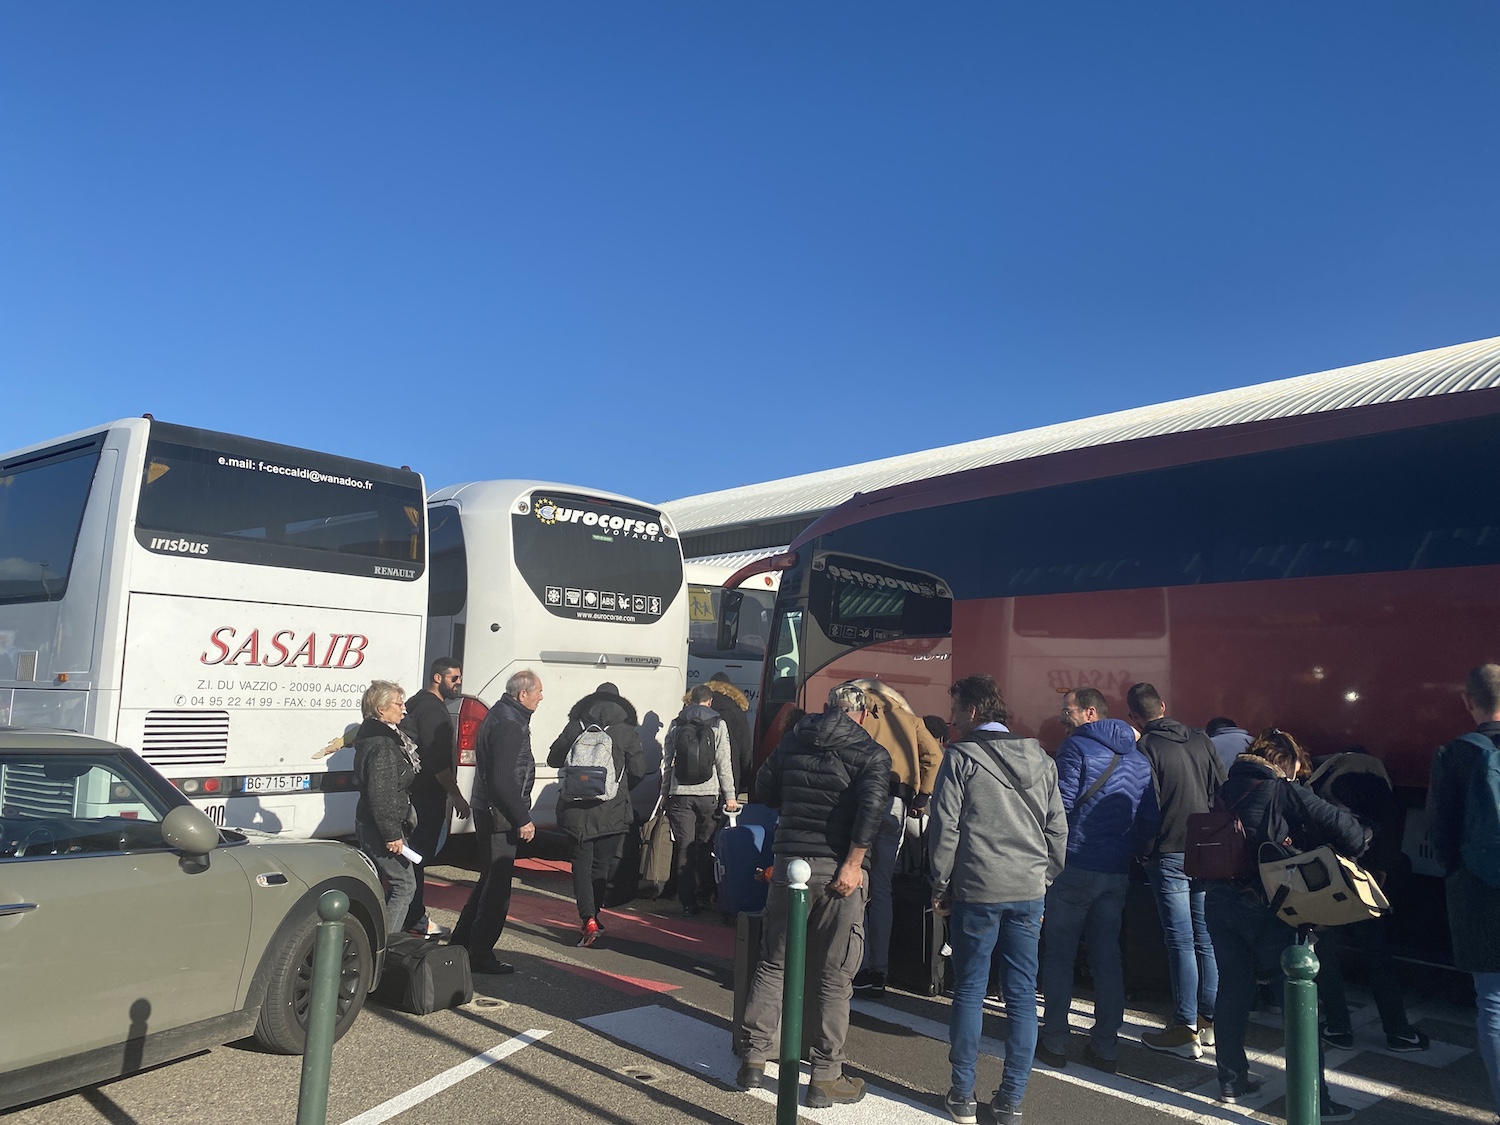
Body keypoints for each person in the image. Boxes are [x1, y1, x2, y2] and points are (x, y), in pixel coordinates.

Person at [736, 682, 890, 1108]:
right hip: (840, 870)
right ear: (860, 714)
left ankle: (753, 1058)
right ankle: (824, 1076)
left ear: (825, 708)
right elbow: (872, 810)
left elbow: (763, 790)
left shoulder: (792, 741)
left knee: (774, 961)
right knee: (834, 974)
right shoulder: (870, 752)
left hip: (789, 864)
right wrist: (854, 863)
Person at [1204, 728, 1365, 1120]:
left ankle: (1231, 1080)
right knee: (1299, 1000)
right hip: (1271, 908)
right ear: (1286, 762)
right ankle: (1316, 1099)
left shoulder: (1227, 787)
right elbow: (1351, 835)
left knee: (1233, 990)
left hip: (1220, 902)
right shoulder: (1283, 789)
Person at [930, 674, 1067, 1125]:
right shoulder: (1041, 758)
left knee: (970, 988)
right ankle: (1011, 1102)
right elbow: (1057, 830)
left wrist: (938, 882)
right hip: (1028, 891)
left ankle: (962, 1096)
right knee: (1023, 995)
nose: (951, 720)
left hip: (978, 889)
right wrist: (1043, 877)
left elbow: (945, 828)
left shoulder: (961, 757)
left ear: (972, 712)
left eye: (955, 712)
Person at [1036, 687, 1153, 1073]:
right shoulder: (1139, 758)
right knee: (1107, 958)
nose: (1060, 716)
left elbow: (1062, 807)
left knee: (1059, 955)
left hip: (1075, 864)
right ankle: (1105, 1047)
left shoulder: (1075, 749)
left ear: (1090, 713)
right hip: (1116, 869)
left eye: (1066, 710)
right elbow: (1147, 818)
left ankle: (1053, 1040)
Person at [1129, 681, 1225, 1058]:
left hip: (1168, 851)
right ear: (1164, 706)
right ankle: (1208, 1023)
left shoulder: (1146, 748)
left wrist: (1143, 850)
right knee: (1206, 936)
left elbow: (1146, 806)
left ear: (1134, 717)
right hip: (1207, 848)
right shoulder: (1201, 739)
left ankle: (1183, 1028)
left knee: (1180, 941)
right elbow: (1222, 790)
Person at [1311, 745, 1427, 1052]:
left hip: (1331, 880)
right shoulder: (1378, 784)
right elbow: (1390, 841)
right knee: (1378, 955)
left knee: (1325, 950)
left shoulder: (1324, 780)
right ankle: (1399, 1031)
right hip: (1367, 883)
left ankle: (1338, 1027)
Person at [1428, 663, 1500, 1121]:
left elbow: (1441, 833)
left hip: (1477, 888)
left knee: (1492, 1000)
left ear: (1467, 701)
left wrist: (1461, 873)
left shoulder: (1453, 754)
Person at [846, 678, 944, 997]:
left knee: (856, 878)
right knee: (883, 886)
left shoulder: (855, 712)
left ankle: (854, 964)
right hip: (896, 802)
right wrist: (921, 797)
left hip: (858, 799)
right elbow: (934, 757)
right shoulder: (908, 719)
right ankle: (879, 968)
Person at [451, 670, 542, 975]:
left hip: (490, 810)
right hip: (499, 816)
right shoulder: (509, 724)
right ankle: (480, 952)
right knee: (497, 887)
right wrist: (522, 818)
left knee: (489, 880)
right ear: (523, 695)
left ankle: (463, 942)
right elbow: (503, 780)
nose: (542, 697)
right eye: (538, 692)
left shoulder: (502, 715)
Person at [546, 681, 646, 946]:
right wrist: (618, 789)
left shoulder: (576, 725)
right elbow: (639, 769)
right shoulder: (625, 730)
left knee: (580, 864)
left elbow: (554, 759)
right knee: (602, 865)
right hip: (611, 811)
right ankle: (595, 914)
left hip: (576, 810)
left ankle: (587, 917)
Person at [399, 657, 471, 937]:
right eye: (454, 678)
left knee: (413, 855)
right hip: (426, 794)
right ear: (437, 678)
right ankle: (414, 916)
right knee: (418, 856)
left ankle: (409, 912)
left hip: (415, 792)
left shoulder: (417, 702)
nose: (459, 683)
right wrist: (456, 795)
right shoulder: (432, 711)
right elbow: (435, 759)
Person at [352, 680, 422, 938]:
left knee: (384, 884)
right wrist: (392, 835)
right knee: (404, 885)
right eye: (399, 703)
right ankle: (386, 949)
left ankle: (375, 941)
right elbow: (381, 793)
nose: (404, 710)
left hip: (377, 823)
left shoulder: (384, 736)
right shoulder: (381, 744)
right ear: (381, 709)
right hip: (379, 826)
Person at [663, 685, 740, 916]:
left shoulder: (677, 723)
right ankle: (705, 894)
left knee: (684, 846)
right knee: (705, 846)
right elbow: (723, 762)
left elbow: (668, 761)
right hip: (708, 794)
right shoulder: (718, 723)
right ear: (710, 701)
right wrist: (730, 796)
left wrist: (665, 792)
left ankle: (687, 902)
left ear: (690, 701)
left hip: (680, 794)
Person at [703, 672, 755, 798]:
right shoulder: (737, 711)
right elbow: (745, 750)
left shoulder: (696, 708)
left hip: (698, 775)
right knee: (725, 814)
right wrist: (744, 779)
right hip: (730, 774)